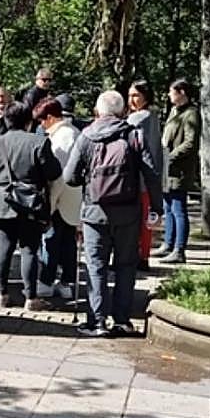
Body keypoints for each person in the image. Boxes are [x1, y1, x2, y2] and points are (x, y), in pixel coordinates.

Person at [62, 90, 162, 337]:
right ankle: (122, 320)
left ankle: (97, 322)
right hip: (128, 212)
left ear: (97, 111)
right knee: (126, 266)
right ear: (123, 111)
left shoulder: (87, 136)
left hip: (94, 212)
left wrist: (89, 179)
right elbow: (151, 173)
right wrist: (157, 208)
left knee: (96, 266)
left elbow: (69, 177)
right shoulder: (134, 135)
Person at [0, 101, 61, 310]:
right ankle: (31, 298)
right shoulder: (39, 142)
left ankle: (1, 294)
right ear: (29, 121)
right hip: (29, 202)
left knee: (4, 247)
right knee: (29, 249)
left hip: (1, 201)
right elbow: (53, 172)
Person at [34, 98, 80, 300]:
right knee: (68, 243)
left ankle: (46, 281)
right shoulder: (75, 132)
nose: (41, 125)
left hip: (59, 198)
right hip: (73, 198)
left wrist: (49, 205)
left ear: (50, 117)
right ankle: (66, 282)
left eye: (42, 120)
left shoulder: (60, 138)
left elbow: (56, 176)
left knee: (51, 240)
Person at [159, 78, 200, 264]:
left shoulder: (191, 114)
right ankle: (168, 244)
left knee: (178, 209)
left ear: (182, 92)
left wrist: (171, 156)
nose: (169, 95)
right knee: (167, 207)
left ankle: (179, 249)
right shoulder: (174, 111)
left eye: (172, 91)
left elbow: (190, 142)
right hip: (168, 169)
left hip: (179, 169)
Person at [127, 80, 164, 271]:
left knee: (136, 221)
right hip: (150, 177)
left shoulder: (137, 119)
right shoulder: (153, 116)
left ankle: (136, 256)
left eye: (136, 95)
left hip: (137, 178)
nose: (131, 100)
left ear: (145, 97)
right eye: (129, 95)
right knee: (146, 220)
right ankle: (144, 256)